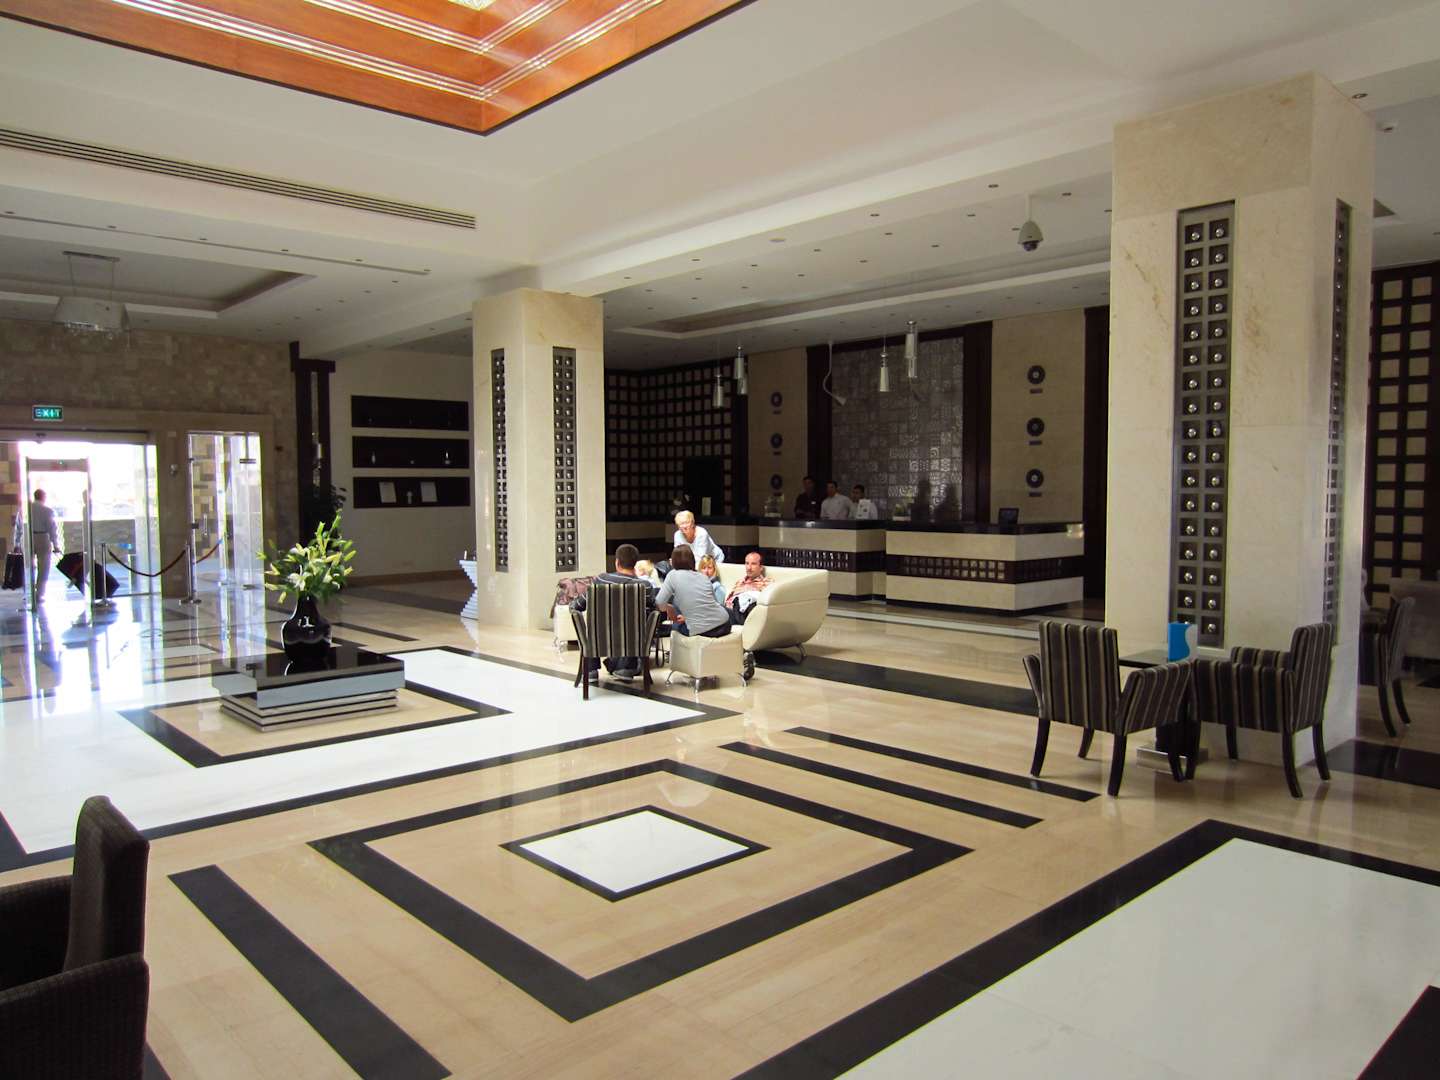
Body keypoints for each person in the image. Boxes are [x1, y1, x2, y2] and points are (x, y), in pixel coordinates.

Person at [569, 543, 655, 680]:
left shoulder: (600, 580)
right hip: (631, 641)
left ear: (617, 562)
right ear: (635, 564)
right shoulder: (645, 586)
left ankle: (591, 669)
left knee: (598, 626)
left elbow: (578, 605)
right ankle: (626, 667)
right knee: (632, 625)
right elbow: (652, 610)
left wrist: (573, 604)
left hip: (599, 639)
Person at [655, 546, 731, 638]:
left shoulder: (672, 575)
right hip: (725, 624)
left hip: (701, 629)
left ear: (673, 561)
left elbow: (659, 603)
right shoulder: (703, 577)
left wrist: (668, 607)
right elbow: (713, 603)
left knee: (674, 626)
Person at [12, 489, 61, 604]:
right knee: (43, 567)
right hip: (43, 537)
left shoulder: (25, 509)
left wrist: (17, 543)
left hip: (28, 537)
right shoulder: (47, 510)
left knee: (28, 566)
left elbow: (18, 527)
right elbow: (52, 529)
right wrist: (56, 545)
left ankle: (28, 592)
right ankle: (39, 593)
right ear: (43, 497)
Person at [725, 550, 771, 624]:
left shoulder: (767, 583)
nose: (749, 568)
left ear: (761, 567)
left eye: (753, 564)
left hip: (750, 615)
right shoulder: (739, 582)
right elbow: (728, 601)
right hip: (730, 614)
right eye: (747, 563)